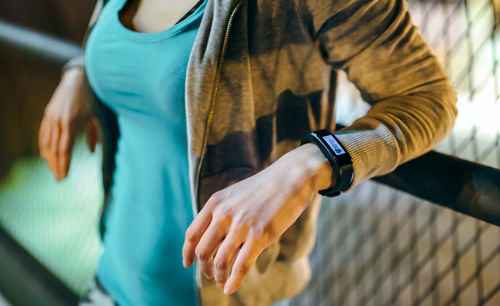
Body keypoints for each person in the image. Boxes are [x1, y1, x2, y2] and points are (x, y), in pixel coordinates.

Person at [38, 0, 458, 304]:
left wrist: (311, 162)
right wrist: (80, 72)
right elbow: (130, 51)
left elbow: (430, 98)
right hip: (110, 283)